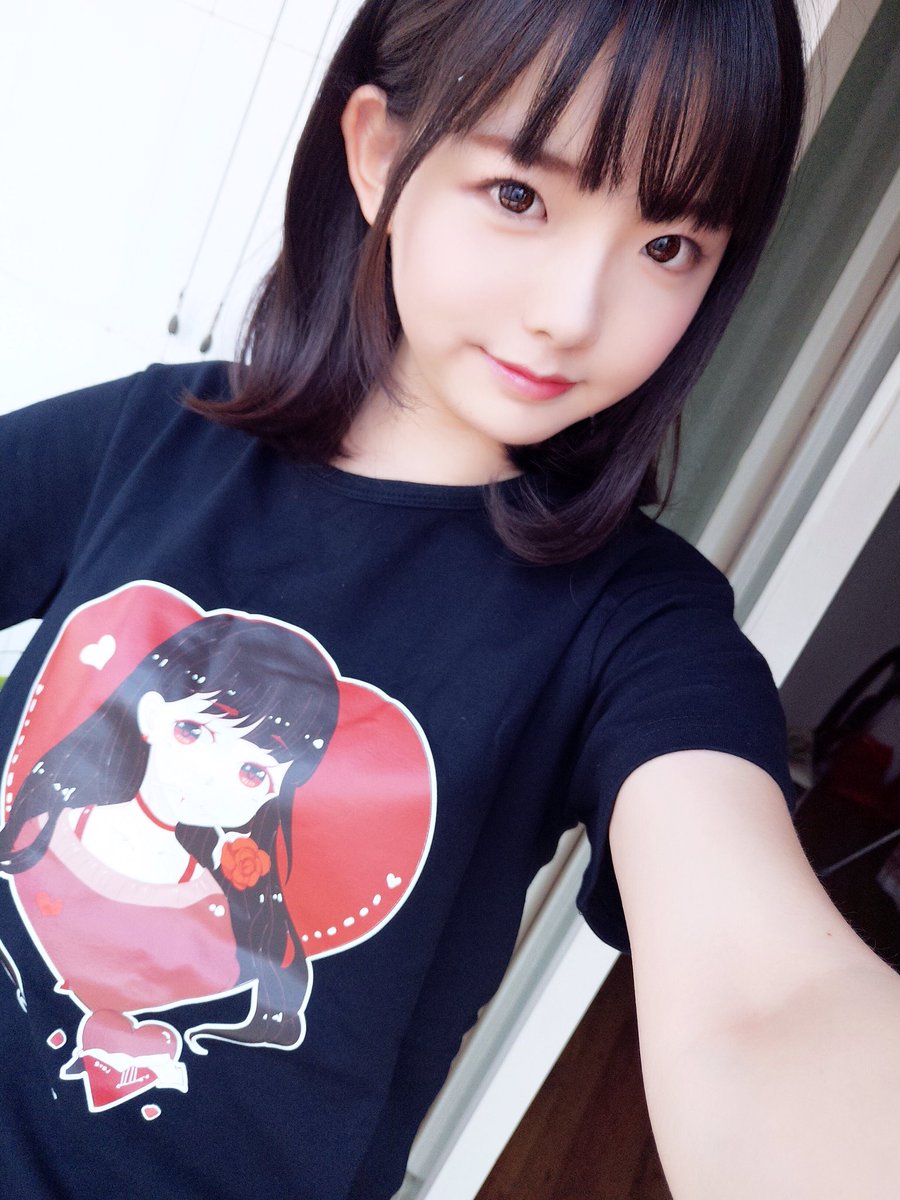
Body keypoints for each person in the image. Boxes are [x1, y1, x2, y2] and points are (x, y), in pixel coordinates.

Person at [0, 1, 897, 1198]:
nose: (573, 313)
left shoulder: (637, 630)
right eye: (520, 195)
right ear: (378, 152)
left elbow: (768, 1000)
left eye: (670, 244)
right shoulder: (156, 438)